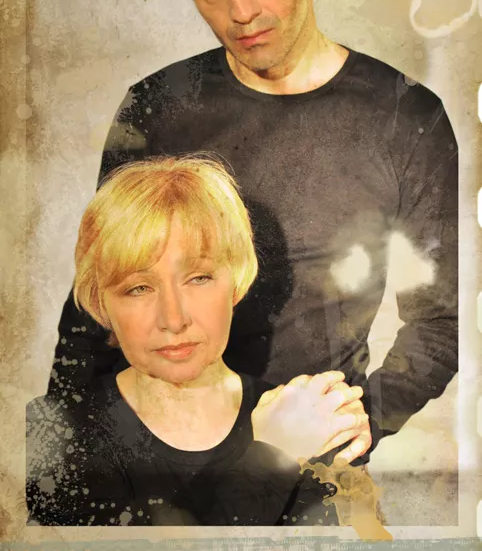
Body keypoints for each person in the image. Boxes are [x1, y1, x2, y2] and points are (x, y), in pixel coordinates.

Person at [49, 0, 458, 466]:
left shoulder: (407, 117)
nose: (240, 12)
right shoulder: (157, 106)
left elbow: (439, 322)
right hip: (162, 463)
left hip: (310, 466)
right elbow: (97, 299)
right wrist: (62, 452)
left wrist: (367, 418)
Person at [27, 156, 371, 527]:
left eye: (198, 279)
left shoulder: (307, 420)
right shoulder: (54, 432)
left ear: (236, 282)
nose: (174, 320)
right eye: (139, 288)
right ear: (100, 303)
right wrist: (272, 461)